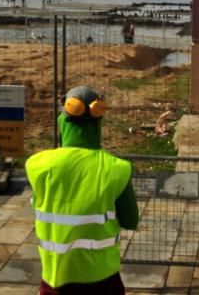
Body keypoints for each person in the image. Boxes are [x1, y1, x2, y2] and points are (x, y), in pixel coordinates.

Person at [25, 86, 139, 294]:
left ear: (62, 121)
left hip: (55, 280)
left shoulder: (38, 165)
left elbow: (38, 204)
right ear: (98, 124)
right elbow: (131, 220)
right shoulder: (117, 169)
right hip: (103, 280)